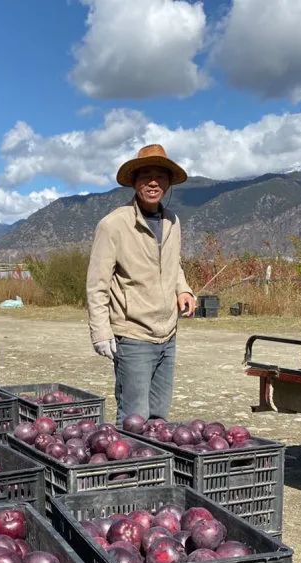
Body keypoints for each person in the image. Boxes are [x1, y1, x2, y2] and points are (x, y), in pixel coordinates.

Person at [86, 144, 196, 426]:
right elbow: (97, 284)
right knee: (133, 418)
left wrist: (184, 290)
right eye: (145, 175)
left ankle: (154, 469)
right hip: (133, 335)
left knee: (159, 418)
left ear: (168, 182)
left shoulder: (173, 221)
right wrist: (101, 333)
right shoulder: (113, 225)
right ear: (134, 182)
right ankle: (127, 470)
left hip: (168, 334)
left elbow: (173, 264)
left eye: (160, 176)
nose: (153, 182)